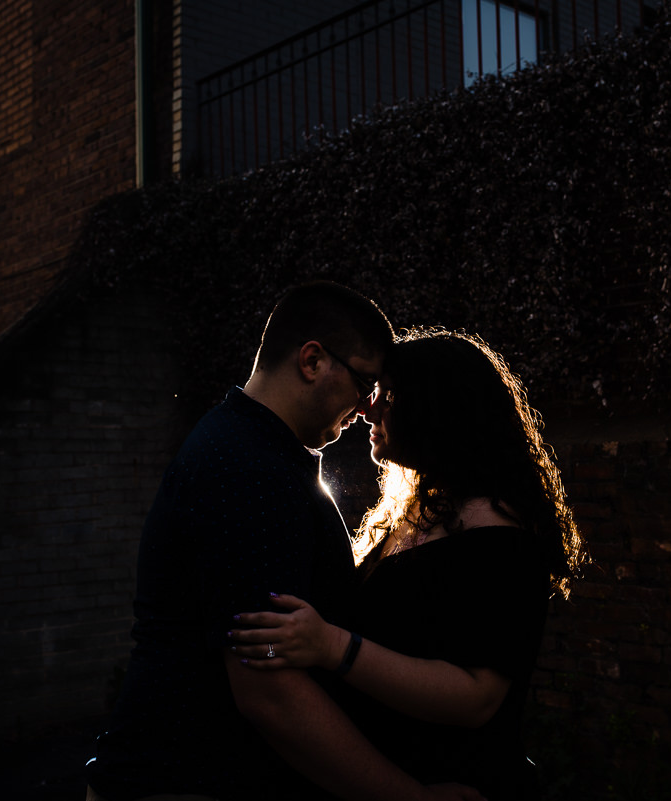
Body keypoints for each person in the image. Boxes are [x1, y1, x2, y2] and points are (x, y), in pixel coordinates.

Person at [86, 283, 482, 801]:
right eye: (365, 383)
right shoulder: (247, 470)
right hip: (181, 780)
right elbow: (269, 690)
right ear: (313, 361)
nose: (367, 407)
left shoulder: (255, 450)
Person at [229, 328, 588, 800]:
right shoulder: (414, 511)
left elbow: (477, 696)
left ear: (439, 409)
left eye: (389, 395)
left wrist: (332, 646)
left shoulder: (498, 532)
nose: (367, 407)